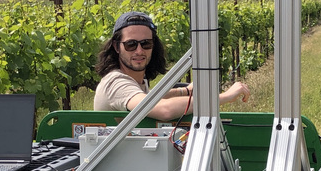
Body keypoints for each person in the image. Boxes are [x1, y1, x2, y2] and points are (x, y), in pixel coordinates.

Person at [93, 11, 250, 118]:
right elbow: (164, 110)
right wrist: (225, 97)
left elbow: (148, 98)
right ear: (116, 47)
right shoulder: (116, 82)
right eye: (131, 44)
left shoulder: (135, 82)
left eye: (146, 44)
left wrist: (186, 91)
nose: (139, 51)